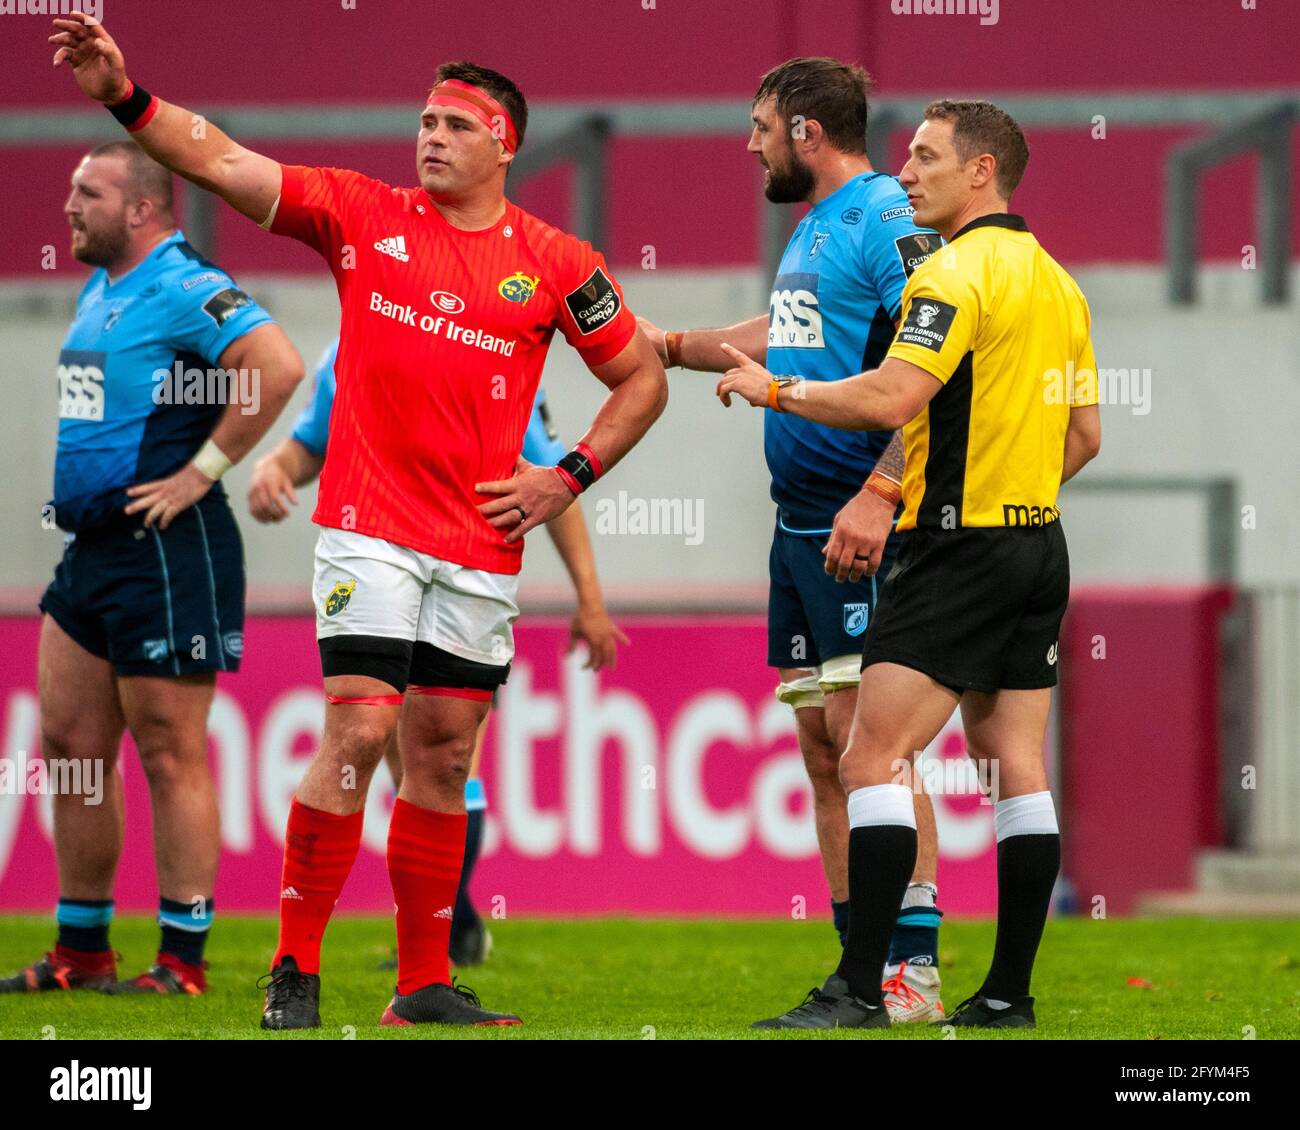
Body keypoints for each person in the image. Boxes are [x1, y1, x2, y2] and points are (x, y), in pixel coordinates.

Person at [49, 13, 667, 1029]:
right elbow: (219, 158)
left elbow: (640, 375)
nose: (429, 137)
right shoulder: (359, 214)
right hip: (368, 527)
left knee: (444, 753)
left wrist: (569, 475)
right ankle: (293, 966)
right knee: (361, 721)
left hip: (479, 540)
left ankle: (421, 982)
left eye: (453, 125)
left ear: (503, 143)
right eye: (423, 120)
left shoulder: (556, 261)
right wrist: (125, 94)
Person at [717, 99, 1102, 1029]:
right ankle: (1007, 995)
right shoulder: (1057, 282)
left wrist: (776, 388)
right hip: (1036, 545)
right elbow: (1085, 436)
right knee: (1014, 764)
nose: (906, 175)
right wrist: (1010, 496)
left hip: (955, 543)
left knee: (871, 755)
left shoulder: (953, 275)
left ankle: (860, 989)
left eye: (927, 159)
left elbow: (893, 392)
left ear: (983, 173)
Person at [638, 58, 944, 1021]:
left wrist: (885, 489)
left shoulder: (888, 218)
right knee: (823, 746)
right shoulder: (814, 225)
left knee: (875, 744)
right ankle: (857, 970)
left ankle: (910, 973)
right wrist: (677, 345)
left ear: (806, 130)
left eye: (760, 124)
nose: (750, 142)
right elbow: (795, 328)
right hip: (798, 524)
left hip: (861, 519)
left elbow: (941, 354)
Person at [0, 141, 303, 997]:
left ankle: (182, 960)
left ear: (141, 208)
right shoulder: (100, 289)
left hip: (166, 546)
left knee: (170, 752)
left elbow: (275, 366)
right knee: (71, 748)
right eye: (70, 188)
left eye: (87, 191)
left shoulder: (182, 282)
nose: (69, 205)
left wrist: (202, 472)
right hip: (90, 550)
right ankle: (82, 952)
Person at [247, 341, 629, 965]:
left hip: (465, 570)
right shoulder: (348, 347)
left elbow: (547, 481)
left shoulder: (492, 339)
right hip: (376, 559)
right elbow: (311, 443)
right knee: (376, 745)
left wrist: (589, 598)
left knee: (446, 760)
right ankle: (437, 933)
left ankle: (443, 940)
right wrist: (275, 468)